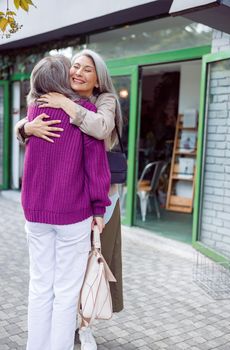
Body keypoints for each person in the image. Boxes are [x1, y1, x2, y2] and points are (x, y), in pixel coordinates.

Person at [15, 49, 124, 350]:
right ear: (65, 77)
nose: (77, 73)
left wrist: (24, 124)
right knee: (65, 292)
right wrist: (98, 208)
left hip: (34, 214)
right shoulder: (81, 113)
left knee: (40, 286)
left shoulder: (37, 110)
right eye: (74, 67)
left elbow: (102, 126)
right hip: (72, 217)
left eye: (86, 69)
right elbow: (96, 169)